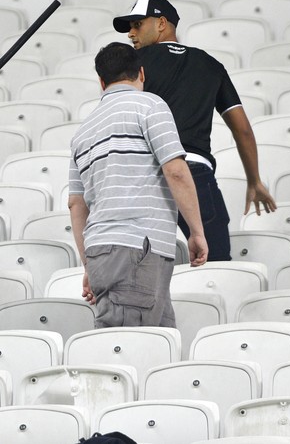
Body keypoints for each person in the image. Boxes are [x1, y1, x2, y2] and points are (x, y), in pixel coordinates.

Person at [113, 0, 276, 262]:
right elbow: (243, 130)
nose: (131, 33)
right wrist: (254, 180)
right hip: (196, 177)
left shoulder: (134, 64)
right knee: (215, 267)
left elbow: (120, 115)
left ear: (162, 23)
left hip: (147, 175)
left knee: (139, 276)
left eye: (137, 24)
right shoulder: (211, 65)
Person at [69, 42, 207, 328]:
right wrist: (196, 232)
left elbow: (76, 204)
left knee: (159, 347)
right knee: (131, 351)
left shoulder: (82, 132)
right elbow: (176, 170)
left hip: (101, 250)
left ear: (102, 81)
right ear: (141, 73)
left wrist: (88, 265)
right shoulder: (150, 106)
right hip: (138, 247)